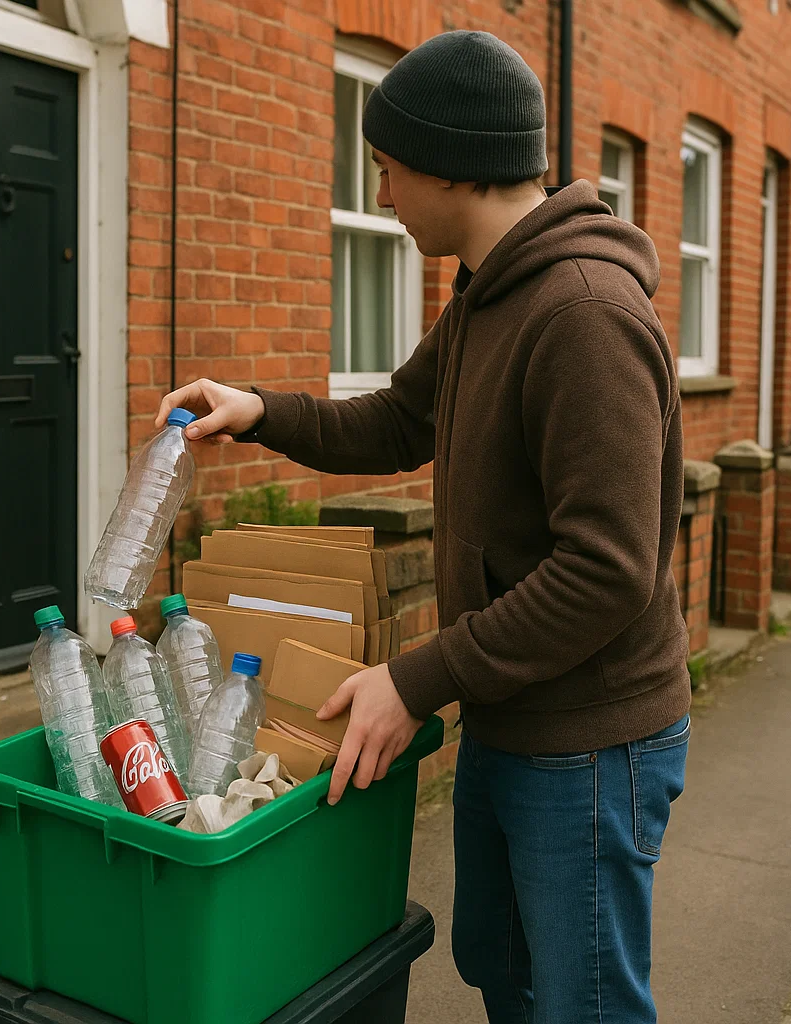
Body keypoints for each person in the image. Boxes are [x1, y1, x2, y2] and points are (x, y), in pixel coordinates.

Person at [154, 30, 690, 1024]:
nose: (384, 193)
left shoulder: (581, 314)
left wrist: (417, 675)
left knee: (587, 1007)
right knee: (507, 973)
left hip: (589, 745)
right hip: (511, 712)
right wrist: (261, 409)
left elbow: (609, 571)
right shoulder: (490, 291)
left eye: (389, 167)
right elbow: (401, 420)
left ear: (452, 161)